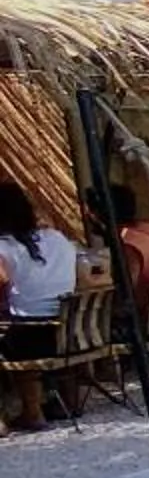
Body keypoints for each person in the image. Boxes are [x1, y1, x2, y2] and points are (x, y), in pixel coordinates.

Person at [1, 181, 80, 430]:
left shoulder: (5, 248)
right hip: (73, 332)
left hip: (33, 335)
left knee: (12, 335)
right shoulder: (56, 238)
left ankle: (32, 412)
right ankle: (71, 401)